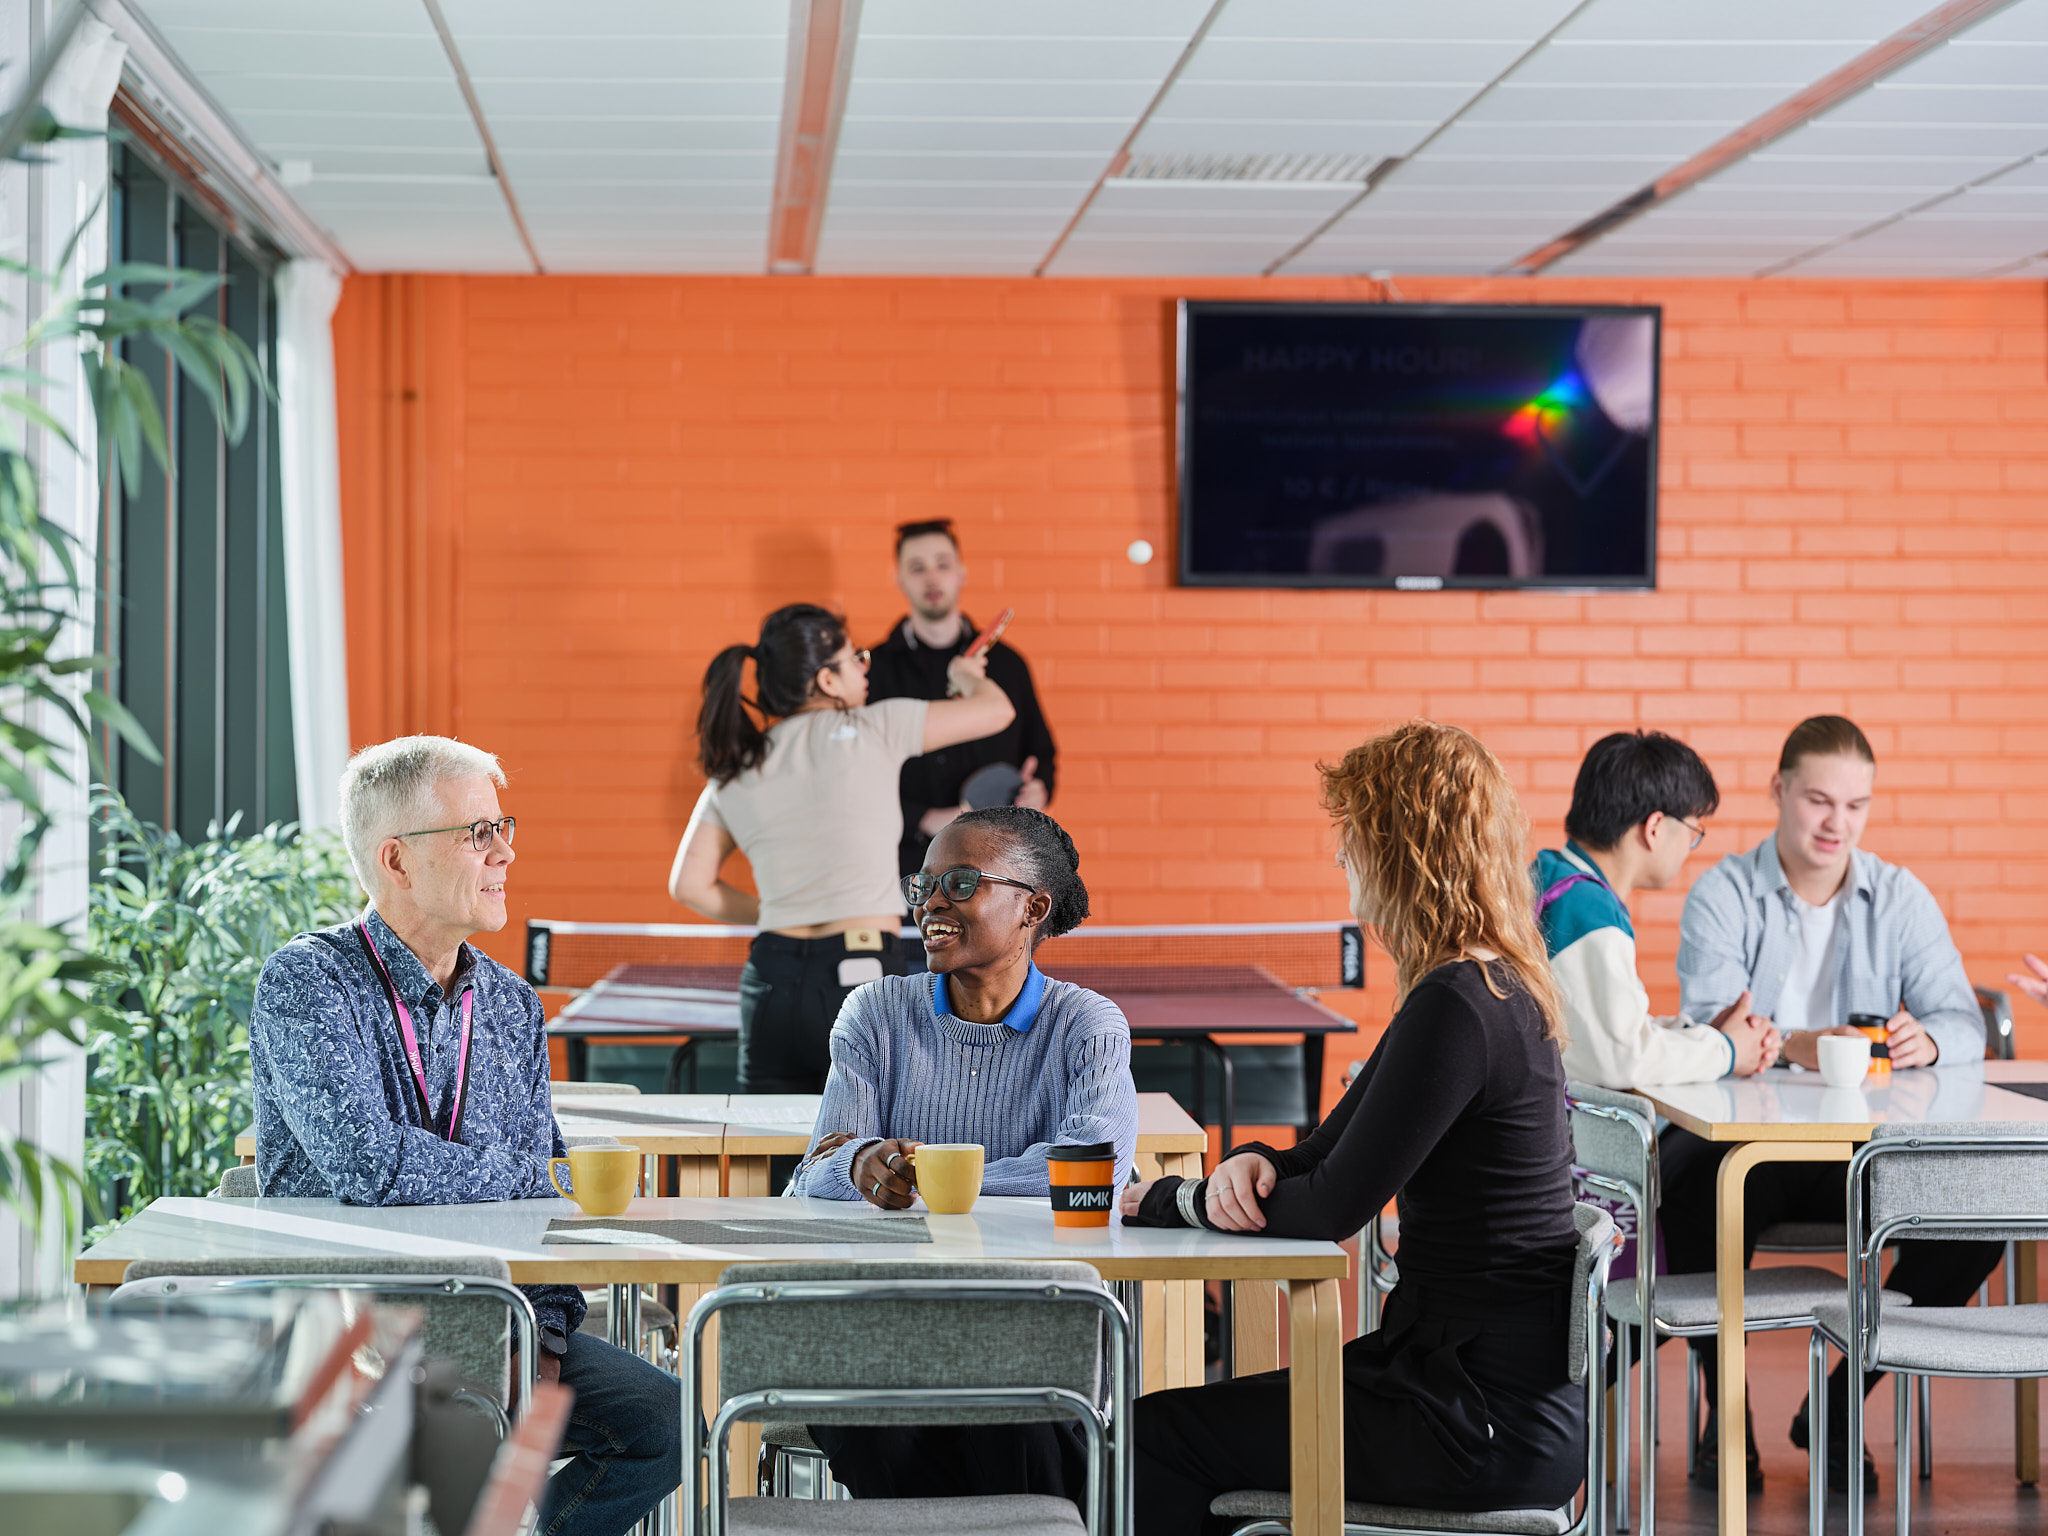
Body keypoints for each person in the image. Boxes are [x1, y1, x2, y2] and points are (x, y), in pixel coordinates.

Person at [1123, 721, 1587, 1534]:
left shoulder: (1459, 1004)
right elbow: (1321, 1153)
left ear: (1403, 849)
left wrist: (1172, 1202)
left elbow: (1333, 1207)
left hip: (1473, 1420)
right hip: (1460, 1393)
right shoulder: (1479, 984)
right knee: (1169, 1427)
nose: (1341, 854)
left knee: (1155, 1438)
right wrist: (1252, 1163)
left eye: (1355, 835)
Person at [249, 736, 680, 1536]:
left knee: (665, 1422)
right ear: (398, 860)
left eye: (502, 827)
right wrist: (522, 1173)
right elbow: (371, 1167)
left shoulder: (512, 1005)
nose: (505, 852)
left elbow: (545, 1193)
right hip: (348, 1331)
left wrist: (544, 1334)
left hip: (498, 1322)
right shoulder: (308, 982)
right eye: (478, 832)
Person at [1668, 714, 1998, 1493]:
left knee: (1979, 1215)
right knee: (1691, 1187)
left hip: (1866, 1149)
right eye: (1819, 800)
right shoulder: (1724, 893)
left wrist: (1931, 1040)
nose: (1836, 823)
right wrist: (1798, 1045)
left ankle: (1840, 1403)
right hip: (1755, 1147)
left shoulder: (1899, 896)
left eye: (1855, 806)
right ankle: (1727, 1411)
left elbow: (1965, 1022)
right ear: (1780, 790)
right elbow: (1712, 1024)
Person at [786, 805, 1138, 1501]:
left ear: (1034, 907)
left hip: (1030, 1317)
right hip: (887, 1321)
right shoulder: (876, 1013)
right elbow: (813, 1174)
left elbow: (1089, 1171)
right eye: (923, 886)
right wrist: (859, 1164)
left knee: (1013, 1415)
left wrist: (925, 1181)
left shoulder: (1086, 1025)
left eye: (961, 882)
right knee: (862, 1420)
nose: (931, 904)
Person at [670, 602, 1014, 1092]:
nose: (864, 668)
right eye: (856, 658)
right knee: (872, 1136)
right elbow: (997, 709)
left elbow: (689, 886)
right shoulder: (876, 727)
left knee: (768, 1137)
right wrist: (964, 675)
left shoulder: (735, 770)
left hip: (769, 979)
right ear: (827, 680)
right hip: (859, 975)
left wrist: (780, 911)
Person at [1535, 730, 1781, 1087]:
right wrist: (1727, 1052)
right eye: (1693, 832)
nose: (1688, 848)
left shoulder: (1553, 876)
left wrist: (1704, 1035)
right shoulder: (1587, 913)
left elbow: (1603, 1030)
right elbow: (1622, 1058)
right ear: (1654, 828)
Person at [867, 519, 1059, 877]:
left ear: (961, 573)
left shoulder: (1008, 664)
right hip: (909, 869)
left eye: (942, 565)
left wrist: (1040, 790)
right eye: (917, 568)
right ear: (900, 580)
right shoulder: (873, 671)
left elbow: (1041, 754)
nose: (932, 578)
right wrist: (922, 817)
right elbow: (858, 775)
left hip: (999, 865)